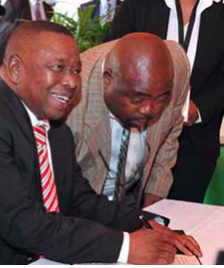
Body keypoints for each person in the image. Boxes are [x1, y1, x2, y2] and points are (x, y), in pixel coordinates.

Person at [0, 21, 201, 265]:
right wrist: (125, 247)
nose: (73, 81)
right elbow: (25, 225)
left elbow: (79, 199)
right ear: (16, 68)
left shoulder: (53, 125)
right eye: (58, 68)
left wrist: (143, 223)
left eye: (76, 70)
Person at [103, 0, 224, 203]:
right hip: (135, 132)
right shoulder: (139, 5)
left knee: (181, 217)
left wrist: (200, 109)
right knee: (123, 211)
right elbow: (109, 53)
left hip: (195, 139)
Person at [67, 33, 190, 208]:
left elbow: (171, 129)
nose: (150, 110)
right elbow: (64, 189)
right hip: (85, 205)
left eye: (161, 98)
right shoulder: (74, 101)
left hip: (133, 198)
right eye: (137, 99)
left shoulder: (175, 68)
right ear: (107, 80)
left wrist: (155, 192)